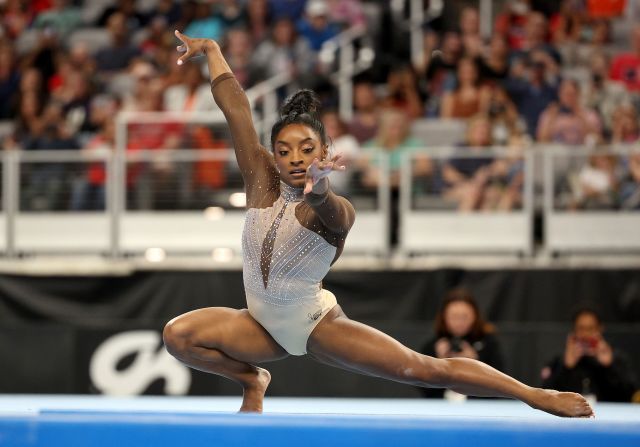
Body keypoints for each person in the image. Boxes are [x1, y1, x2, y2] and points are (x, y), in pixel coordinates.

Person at [162, 30, 594, 418]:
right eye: (285, 149)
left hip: (314, 325)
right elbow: (237, 108)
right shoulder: (260, 180)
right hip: (258, 327)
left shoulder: (335, 207)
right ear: (273, 154)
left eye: (306, 148)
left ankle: (534, 394)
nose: (295, 158)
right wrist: (214, 51)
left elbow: (331, 212)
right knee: (179, 336)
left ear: (325, 151)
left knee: (424, 369)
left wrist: (320, 191)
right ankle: (252, 380)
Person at [421, 288, 504, 399]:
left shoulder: (488, 343)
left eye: (465, 316)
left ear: (475, 316)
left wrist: (475, 363)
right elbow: (423, 387)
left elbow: (501, 383)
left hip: (480, 405)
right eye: (454, 317)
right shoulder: (433, 346)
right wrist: (439, 363)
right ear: (444, 317)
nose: (459, 322)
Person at [541, 308, 637, 402]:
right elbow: (545, 396)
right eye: (581, 328)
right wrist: (566, 367)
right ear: (574, 330)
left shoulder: (617, 359)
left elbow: (630, 395)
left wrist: (609, 366)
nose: (586, 334)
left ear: (600, 329)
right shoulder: (559, 361)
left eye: (591, 329)